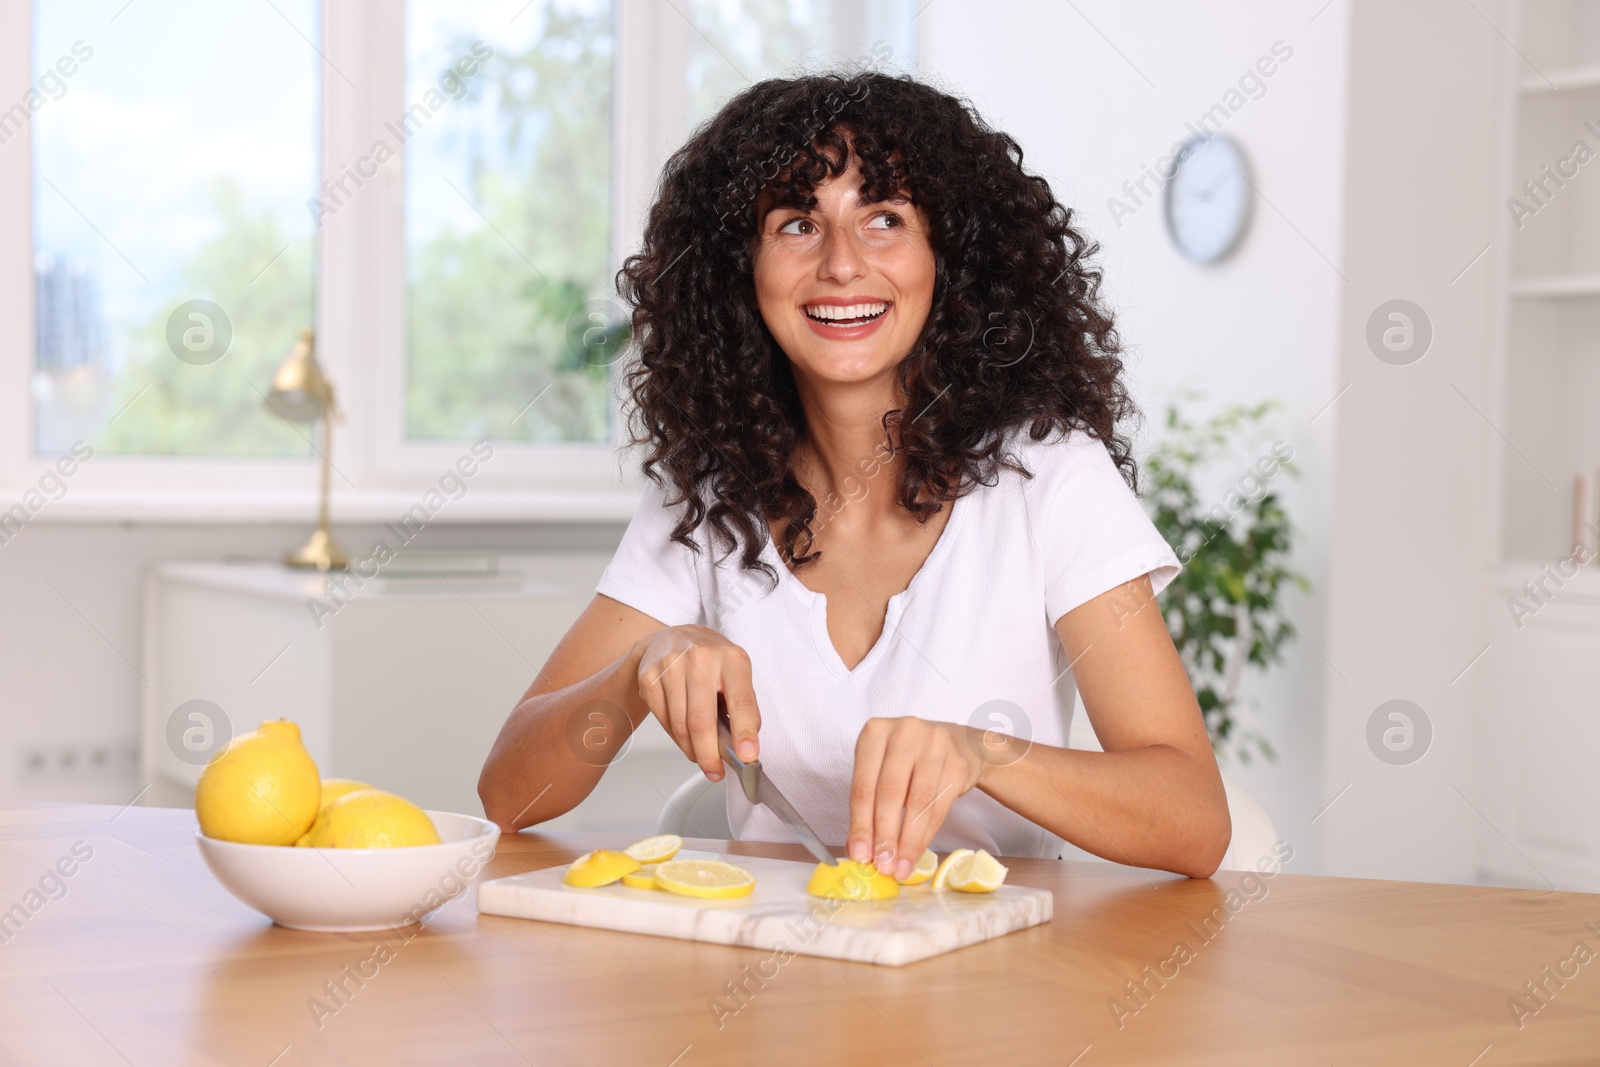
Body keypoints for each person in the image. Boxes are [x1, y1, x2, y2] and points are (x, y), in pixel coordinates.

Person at [479, 70, 1231, 880]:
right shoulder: (707, 495)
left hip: (1001, 983)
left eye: (885, 219)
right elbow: (510, 796)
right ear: (741, 269)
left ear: (950, 257)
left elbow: (1193, 820)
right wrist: (635, 671)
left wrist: (984, 753)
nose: (842, 263)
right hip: (763, 983)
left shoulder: (1051, 478)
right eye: (798, 223)